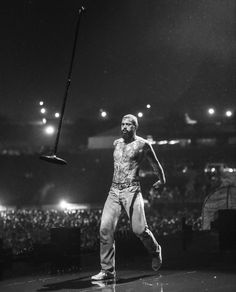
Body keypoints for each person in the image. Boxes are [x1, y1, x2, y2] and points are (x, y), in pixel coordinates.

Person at [91, 114, 166, 281]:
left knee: (139, 229)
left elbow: (156, 164)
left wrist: (162, 180)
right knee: (105, 229)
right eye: (122, 124)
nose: (124, 127)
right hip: (114, 191)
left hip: (132, 190)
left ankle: (155, 251)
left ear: (135, 127)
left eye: (128, 124)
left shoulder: (143, 145)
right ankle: (107, 270)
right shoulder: (116, 143)